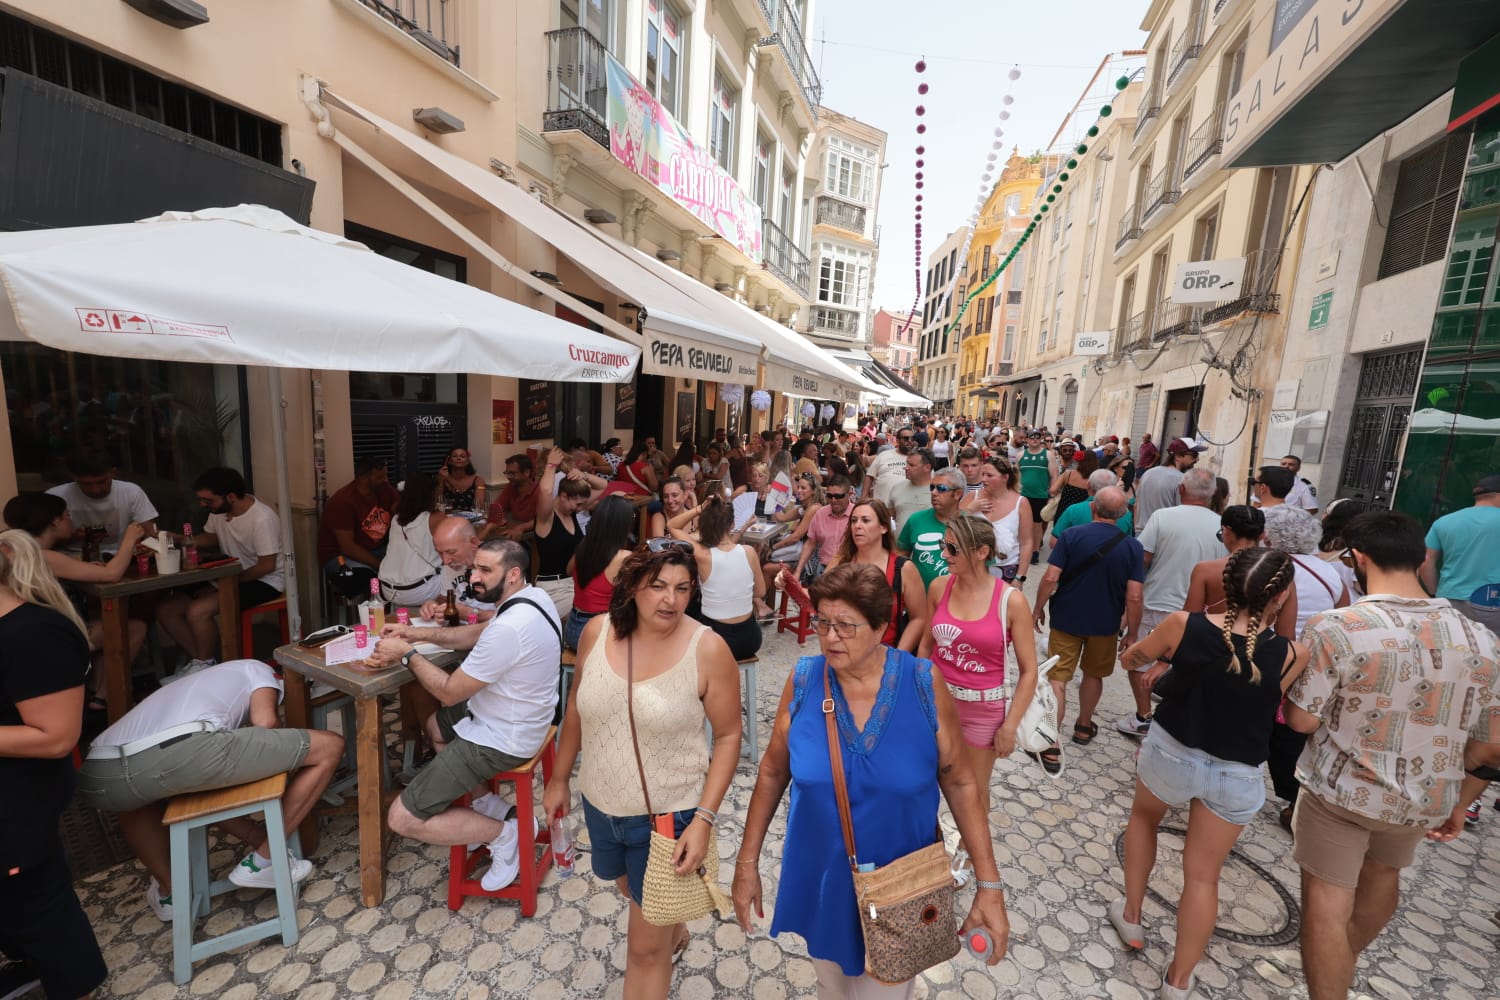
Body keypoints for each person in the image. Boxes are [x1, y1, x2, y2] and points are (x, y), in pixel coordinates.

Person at [731, 564, 1012, 996]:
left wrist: (989, 884)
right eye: (823, 622)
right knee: (831, 986)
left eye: (845, 626)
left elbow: (959, 781)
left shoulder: (923, 684)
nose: (830, 637)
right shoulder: (805, 680)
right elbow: (772, 771)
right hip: (823, 878)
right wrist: (746, 864)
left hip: (901, 889)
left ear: (882, 627)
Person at [1283, 511, 1500, 1000]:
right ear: (1422, 558)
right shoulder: (1482, 640)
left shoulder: (1338, 627)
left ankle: (1329, 975)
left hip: (1341, 789)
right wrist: (1460, 801)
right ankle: (1339, 962)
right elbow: (1489, 746)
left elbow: (1302, 721)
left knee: (1325, 902)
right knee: (1384, 875)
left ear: (1357, 559)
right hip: (1421, 800)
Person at [542, 546, 742, 997]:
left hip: (671, 817)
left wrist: (705, 821)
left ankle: (663, 936)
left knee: (644, 953)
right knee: (629, 886)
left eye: (681, 588)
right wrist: (558, 779)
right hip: (602, 806)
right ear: (632, 586)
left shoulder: (708, 649)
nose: (669, 600)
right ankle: (673, 925)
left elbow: (729, 736)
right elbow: (575, 711)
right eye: (657, 586)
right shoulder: (596, 632)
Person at [1110, 548, 1308, 999]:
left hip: (1174, 751)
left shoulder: (1185, 626)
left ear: (1227, 585)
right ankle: (1179, 982)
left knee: (1144, 820)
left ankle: (1133, 916)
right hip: (1237, 774)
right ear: (1280, 595)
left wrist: (1149, 657)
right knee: (1203, 877)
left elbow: (1132, 660)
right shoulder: (1295, 653)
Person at [78, 658, 343, 918]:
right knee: (328, 747)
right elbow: (265, 722)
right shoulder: (258, 669)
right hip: (184, 749)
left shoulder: (192, 684)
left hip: (100, 774)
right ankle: (266, 859)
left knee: (142, 794)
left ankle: (171, 893)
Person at [382, 539, 562, 891]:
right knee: (435, 726)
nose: (474, 578)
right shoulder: (533, 597)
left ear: (512, 574)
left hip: (504, 737)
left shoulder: (509, 627)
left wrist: (406, 655)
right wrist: (415, 633)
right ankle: (487, 803)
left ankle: (503, 835)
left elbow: (449, 691)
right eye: (474, 568)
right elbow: (478, 632)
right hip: (524, 714)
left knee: (401, 818)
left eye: (485, 570)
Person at [0, 529, 108, 1000]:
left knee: (36, 901)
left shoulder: (34, 633)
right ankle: (30, 969)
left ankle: (74, 985)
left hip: (16, 798)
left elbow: (56, 737)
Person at [918, 512, 1039, 876]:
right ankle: (927, 844)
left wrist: (1009, 725)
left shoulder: (1011, 601)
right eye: (943, 545)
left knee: (971, 790)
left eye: (952, 547)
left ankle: (969, 855)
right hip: (936, 702)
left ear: (982, 551)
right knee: (923, 778)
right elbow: (927, 644)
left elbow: (1029, 670)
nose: (944, 553)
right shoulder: (940, 587)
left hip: (982, 710)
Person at [1031, 488, 1145, 767]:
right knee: (1094, 674)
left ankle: (1050, 743)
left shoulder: (1072, 536)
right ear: (1122, 515)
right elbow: (1134, 595)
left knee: (1058, 679)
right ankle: (1083, 725)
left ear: (1094, 507)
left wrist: (1037, 609)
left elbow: (1050, 577)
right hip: (1105, 623)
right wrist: (1132, 633)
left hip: (1067, 617)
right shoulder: (1132, 547)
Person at [4, 491, 149, 705]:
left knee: (100, 620)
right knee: (134, 628)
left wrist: (83, 567)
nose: (71, 520)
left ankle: (96, 695)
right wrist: (129, 540)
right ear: (55, 521)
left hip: (17, 632)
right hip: (45, 638)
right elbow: (112, 575)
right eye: (67, 516)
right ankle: (107, 696)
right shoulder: (41, 555)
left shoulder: (10, 548)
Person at [1263, 504, 1350, 830]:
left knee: (1266, 725)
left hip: (1272, 655)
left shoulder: (1271, 566)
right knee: (1291, 731)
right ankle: (1294, 798)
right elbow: (1342, 618)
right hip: (1312, 662)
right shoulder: (1331, 572)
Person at [155, 466, 285, 678]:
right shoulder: (220, 512)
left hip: (265, 581)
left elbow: (266, 566)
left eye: (208, 500)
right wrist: (179, 538)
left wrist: (230, 582)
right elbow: (210, 538)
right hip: (229, 575)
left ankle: (203, 663)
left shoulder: (262, 518)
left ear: (231, 496)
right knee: (166, 609)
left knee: (197, 611)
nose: (203, 505)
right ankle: (202, 662)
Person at [1126, 468, 1225, 737]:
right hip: (1203, 612)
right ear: (1214, 493)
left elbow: (1142, 561)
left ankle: (1144, 717)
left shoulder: (1162, 517)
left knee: (1141, 662)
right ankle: (1172, 721)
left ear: (1180, 489)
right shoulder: (1222, 526)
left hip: (1159, 601)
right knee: (1186, 667)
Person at [815, 498, 929, 652]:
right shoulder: (841, 561)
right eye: (854, 521)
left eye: (865, 520)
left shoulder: (903, 568)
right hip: (842, 651)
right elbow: (819, 600)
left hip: (886, 654)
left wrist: (898, 656)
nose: (857, 526)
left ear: (883, 527)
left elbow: (919, 618)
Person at [670, 494, 766, 660]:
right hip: (750, 639)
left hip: (716, 640)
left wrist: (699, 508)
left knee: (688, 613)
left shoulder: (703, 555)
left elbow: (672, 526)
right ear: (732, 523)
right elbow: (760, 592)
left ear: (704, 525)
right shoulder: (749, 552)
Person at [1183, 506, 1294, 636]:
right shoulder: (1281, 573)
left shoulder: (1205, 570)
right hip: (1259, 651)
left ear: (1226, 532)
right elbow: (1287, 634)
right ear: (1263, 534)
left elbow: (1188, 623)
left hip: (1211, 648)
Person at [1421, 473, 1500, 637]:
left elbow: (1426, 562)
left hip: (1449, 601)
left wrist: (1434, 593)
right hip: (1492, 603)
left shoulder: (1444, 522)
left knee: (1454, 647)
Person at [45, 445, 159, 550]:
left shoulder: (131, 492)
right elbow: (39, 544)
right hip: (69, 561)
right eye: (86, 484)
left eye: (101, 482)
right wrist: (73, 537)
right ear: (73, 477)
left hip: (120, 559)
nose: (96, 490)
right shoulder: (55, 497)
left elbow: (150, 533)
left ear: (113, 473)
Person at [318, 455, 399, 598]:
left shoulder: (385, 490)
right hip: (342, 558)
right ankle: (378, 615)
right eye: (380, 477)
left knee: (408, 571)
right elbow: (347, 547)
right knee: (372, 582)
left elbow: (399, 512)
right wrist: (380, 565)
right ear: (364, 477)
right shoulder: (343, 501)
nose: (386, 480)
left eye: (386, 476)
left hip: (378, 550)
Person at [565, 495, 634, 650]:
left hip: (573, 627)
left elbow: (569, 570)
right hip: (597, 632)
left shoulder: (584, 547)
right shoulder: (623, 557)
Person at [378, 471, 447, 607]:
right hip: (418, 591)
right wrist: (488, 529)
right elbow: (460, 546)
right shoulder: (435, 518)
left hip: (387, 590)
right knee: (457, 565)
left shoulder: (396, 518)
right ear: (430, 494)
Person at [965, 455, 1036, 582]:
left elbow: (1027, 543)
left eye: (990, 475)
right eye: (983, 474)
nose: (984, 479)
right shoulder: (973, 497)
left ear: (1005, 477)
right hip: (973, 568)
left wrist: (1020, 577)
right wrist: (970, 509)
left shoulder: (1021, 503)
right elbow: (951, 525)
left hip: (1007, 570)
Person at [897, 466, 966, 588]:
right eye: (932, 487)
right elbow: (899, 558)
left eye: (941, 488)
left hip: (958, 602)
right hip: (919, 601)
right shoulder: (916, 520)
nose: (934, 493)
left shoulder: (971, 526)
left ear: (957, 494)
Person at [1133, 437, 1207, 536]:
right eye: (1194, 455)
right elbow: (1183, 514)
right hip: (1163, 537)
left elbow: (1136, 505)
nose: (1197, 459)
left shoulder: (1148, 473)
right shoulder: (1182, 479)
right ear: (1178, 456)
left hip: (1141, 534)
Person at [793, 474, 854, 585]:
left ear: (849, 494)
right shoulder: (821, 513)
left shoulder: (857, 515)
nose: (834, 500)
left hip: (850, 572)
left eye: (838, 496)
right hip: (823, 570)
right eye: (829, 496)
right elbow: (810, 543)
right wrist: (798, 571)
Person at [1050, 468, 1134, 541]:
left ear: (1089, 486)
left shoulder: (1073, 510)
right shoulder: (1125, 513)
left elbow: (1054, 541)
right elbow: (1128, 540)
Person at [485, 453, 540, 541]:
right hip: (517, 536)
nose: (508, 477)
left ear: (526, 472)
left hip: (536, 540)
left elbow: (541, 521)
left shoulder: (539, 491)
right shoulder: (511, 487)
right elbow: (497, 507)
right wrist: (499, 518)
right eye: (507, 473)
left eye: (512, 473)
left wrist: (521, 527)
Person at [887, 448, 935, 535]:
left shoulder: (939, 491)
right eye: (907, 463)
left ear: (927, 468)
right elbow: (889, 518)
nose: (906, 468)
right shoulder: (897, 488)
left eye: (912, 465)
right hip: (898, 546)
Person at [868, 428, 913, 508]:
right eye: (906, 438)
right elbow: (870, 476)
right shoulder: (884, 455)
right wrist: (863, 497)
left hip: (906, 508)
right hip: (881, 507)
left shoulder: (919, 458)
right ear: (898, 440)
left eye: (912, 438)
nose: (909, 441)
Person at [436, 446, 486, 513]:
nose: (459, 458)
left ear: (467, 461)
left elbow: (478, 506)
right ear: (449, 461)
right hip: (446, 519)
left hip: (471, 520)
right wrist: (441, 481)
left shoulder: (478, 480)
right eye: (454, 456)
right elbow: (437, 504)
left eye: (462, 456)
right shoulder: (442, 478)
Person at [649, 475, 697, 540]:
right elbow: (659, 548)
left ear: (685, 494)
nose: (670, 500)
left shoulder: (694, 517)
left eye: (674, 495)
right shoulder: (659, 517)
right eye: (666, 496)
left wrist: (694, 501)